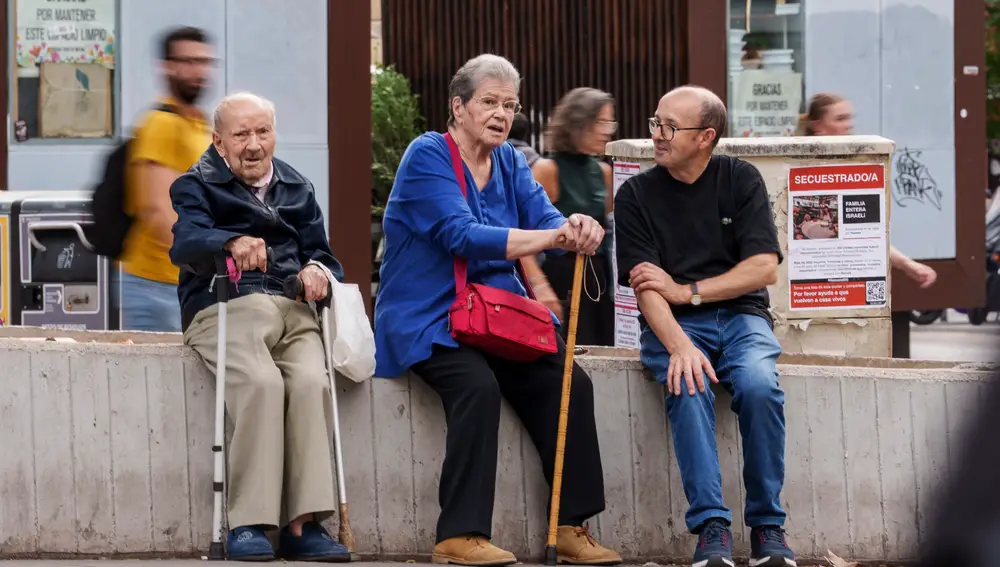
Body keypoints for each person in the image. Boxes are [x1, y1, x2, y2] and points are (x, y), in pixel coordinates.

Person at [374, 54, 622, 567]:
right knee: (476, 386)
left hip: (495, 315)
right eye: (489, 102)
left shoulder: (509, 160)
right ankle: (459, 534)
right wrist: (551, 236)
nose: (501, 114)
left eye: (510, 105)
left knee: (569, 382)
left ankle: (570, 526)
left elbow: (546, 219)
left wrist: (576, 226)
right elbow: (461, 236)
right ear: (458, 106)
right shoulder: (427, 155)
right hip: (430, 315)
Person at [614, 85, 795, 567]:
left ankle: (768, 526)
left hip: (743, 317)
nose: (657, 134)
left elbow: (763, 268)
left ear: (705, 136)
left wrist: (687, 291)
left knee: (759, 385)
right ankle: (712, 526)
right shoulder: (635, 195)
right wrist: (679, 345)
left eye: (670, 127)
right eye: (655, 122)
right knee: (687, 382)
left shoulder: (739, 179)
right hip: (674, 325)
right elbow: (645, 287)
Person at [169, 92, 351, 562]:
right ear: (219, 142)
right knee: (262, 383)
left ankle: (303, 525)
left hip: (293, 307)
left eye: (263, 132)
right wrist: (230, 241)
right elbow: (185, 243)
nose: (254, 145)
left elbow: (325, 255)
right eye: (241, 135)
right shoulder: (195, 184)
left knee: (311, 383)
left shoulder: (297, 185)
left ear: (274, 134)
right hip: (225, 305)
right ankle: (249, 521)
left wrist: (317, 270)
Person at [119, 26, 216, 331]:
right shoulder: (161, 124)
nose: (198, 70)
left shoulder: (198, 124)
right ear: (167, 66)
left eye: (204, 62)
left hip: (184, 282)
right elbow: (159, 211)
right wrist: (213, 259)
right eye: (188, 61)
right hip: (156, 286)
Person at [800, 92, 937, 289]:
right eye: (840, 119)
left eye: (850, 118)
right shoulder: (800, 170)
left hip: (846, 277)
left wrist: (907, 264)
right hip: (811, 278)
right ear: (818, 126)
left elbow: (864, 231)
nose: (849, 125)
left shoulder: (851, 168)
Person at [520, 88, 617, 346]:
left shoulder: (604, 171)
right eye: (601, 122)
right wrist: (538, 285)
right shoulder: (547, 169)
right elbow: (521, 236)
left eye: (610, 122)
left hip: (599, 276)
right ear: (578, 123)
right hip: (561, 275)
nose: (607, 131)